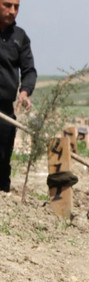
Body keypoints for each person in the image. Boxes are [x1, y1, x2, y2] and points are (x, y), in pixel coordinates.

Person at [0, 0, 35, 193]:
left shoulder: (20, 37)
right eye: (7, 5)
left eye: (16, 7)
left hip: (5, 110)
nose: (12, 11)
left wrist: (25, 92)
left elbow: (29, 70)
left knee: (3, 161)